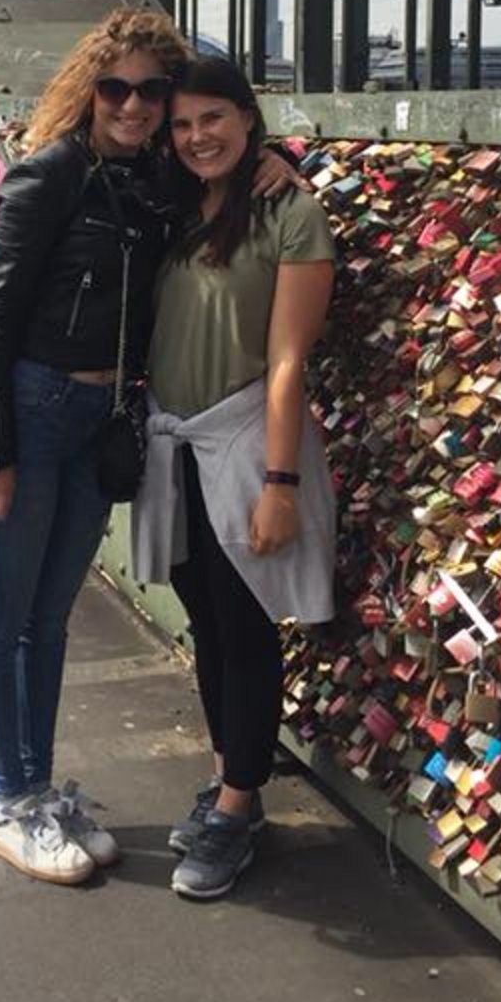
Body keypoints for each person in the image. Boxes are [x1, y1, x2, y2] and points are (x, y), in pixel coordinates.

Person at [0, 12, 299, 887]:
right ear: (89, 90)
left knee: (47, 617)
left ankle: (38, 792)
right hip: (26, 413)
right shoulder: (52, 175)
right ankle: (7, 799)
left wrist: (282, 156)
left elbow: (224, 154)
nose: (139, 107)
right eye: (118, 90)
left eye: (155, 92)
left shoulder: (156, 183)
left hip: (95, 418)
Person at [134, 57, 335, 902]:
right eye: (181, 125)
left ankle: (239, 803)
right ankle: (228, 787)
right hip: (173, 447)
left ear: (248, 119)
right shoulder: (175, 203)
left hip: (246, 446)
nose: (195, 137)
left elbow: (290, 360)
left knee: (247, 631)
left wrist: (280, 482)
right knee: (208, 626)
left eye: (213, 118)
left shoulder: (291, 212)